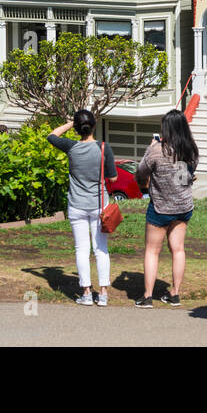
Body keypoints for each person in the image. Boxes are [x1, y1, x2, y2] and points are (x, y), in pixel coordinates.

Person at [47, 109, 117, 306]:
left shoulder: (71, 147)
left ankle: (86, 292)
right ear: (94, 126)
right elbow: (112, 177)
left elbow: (51, 136)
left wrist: (70, 123)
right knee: (101, 249)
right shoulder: (104, 148)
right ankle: (103, 293)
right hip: (98, 205)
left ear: (77, 129)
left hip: (77, 205)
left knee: (81, 249)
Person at [134, 109, 198, 308]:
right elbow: (187, 173)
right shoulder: (190, 149)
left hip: (161, 207)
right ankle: (175, 293)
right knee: (178, 249)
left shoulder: (157, 150)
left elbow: (141, 172)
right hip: (183, 206)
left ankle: (148, 296)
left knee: (152, 251)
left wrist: (151, 147)